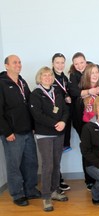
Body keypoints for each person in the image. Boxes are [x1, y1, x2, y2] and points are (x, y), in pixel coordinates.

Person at [0, 55, 40, 206]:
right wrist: (6, 131)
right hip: (12, 133)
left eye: (19, 62)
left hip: (27, 130)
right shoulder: (2, 84)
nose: (18, 65)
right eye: (14, 62)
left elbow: (30, 105)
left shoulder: (22, 82)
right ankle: (17, 194)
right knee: (14, 165)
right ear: (6, 66)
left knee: (31, 162)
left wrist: (34, 126)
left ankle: (30, 189)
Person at [29, 66, 69, 211]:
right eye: (44, 75)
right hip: (44, 134)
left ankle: (54, 191)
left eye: (50, 75)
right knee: (48, 165)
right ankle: (46, 197)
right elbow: (37, 115)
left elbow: (65, 110)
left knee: (56, 164)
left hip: (59, 133)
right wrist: (55, 124)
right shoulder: (36, 94)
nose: (47, 77)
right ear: (40, 77)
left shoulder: (57, 92)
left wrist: (63, 121)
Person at [68, 52, 99, 190]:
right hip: (83, 122)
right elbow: (73, 92)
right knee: (87, 149)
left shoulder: (95, 69)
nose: (79, 65)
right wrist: (89, 91)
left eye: (82, 62)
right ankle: (89, 180)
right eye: (76, 63)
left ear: (86, 62)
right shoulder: (73, 76)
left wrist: (98, 89)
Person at [51, 53, 71, 192]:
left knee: (59, 152)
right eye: (57, 62)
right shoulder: (49, 76)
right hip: (54, 120)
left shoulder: (64, 78)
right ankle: (56, 181)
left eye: (62, 62)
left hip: (65, 118)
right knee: (53, 153)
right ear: (52, 63)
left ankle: (58, 179)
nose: (60, 65)